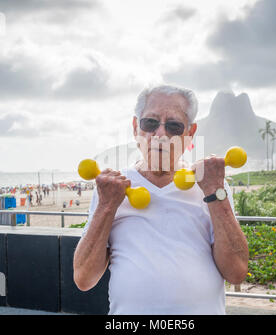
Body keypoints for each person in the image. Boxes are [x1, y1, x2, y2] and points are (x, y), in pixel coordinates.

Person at [73, 85, 249, 315]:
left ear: (190, 133)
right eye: (150, 123)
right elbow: (84, 278)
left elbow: (236, 272)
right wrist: (107, 206)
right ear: (136, 128)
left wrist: (216, 191)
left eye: (174, 126)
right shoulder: (112, 190)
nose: (160, 134)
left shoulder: (212, 187)